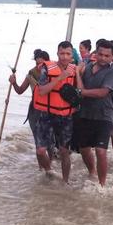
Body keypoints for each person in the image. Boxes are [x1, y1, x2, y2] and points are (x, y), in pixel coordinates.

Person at [74, 39, 113, 186]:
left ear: (112, 57)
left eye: (107, 56)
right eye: (100, 54)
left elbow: (102, 92)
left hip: (104, 115)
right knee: (84, 149)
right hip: (85, 113)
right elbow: (79, 87)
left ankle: (102, 185)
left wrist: (82, 92)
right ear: (96, 53)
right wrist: (77, 73)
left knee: (101, 151)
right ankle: (92, 172)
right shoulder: (88, 67)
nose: (103, 58)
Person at [34, 41, 78, 183]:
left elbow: (80, 89)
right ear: (57, 53)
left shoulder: (74, 69)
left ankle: (65, 182)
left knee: (64, 152)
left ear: (72, 55)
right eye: (62, 53)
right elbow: (41, 91)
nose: (64, 57)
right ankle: (49, 170)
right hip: (46, 114)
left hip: (65, 116)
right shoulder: (46, 69)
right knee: (41, 151)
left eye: (68, 54)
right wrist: (60, 78)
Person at [9, 49, 56, 169]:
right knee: (38, 142)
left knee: (50, 142)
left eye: (41, 63)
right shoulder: (31, 74)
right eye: (37, 63)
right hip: (35, 111)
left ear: (48, 62)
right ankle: (42, 168)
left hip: (50, 110)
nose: (39, 66)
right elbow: (20, 90)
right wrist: (14, 83)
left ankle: (50, 165)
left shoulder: (54, 73)